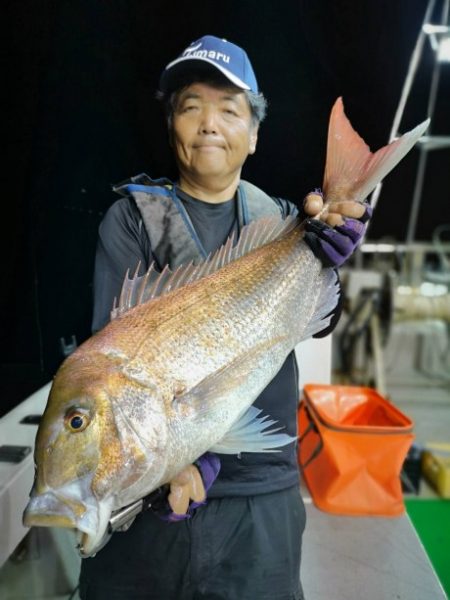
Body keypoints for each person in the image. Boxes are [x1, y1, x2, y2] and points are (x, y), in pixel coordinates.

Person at [79, 35, 371, 600]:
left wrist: (331, 255)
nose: (209, 123)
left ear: (255, 134)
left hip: (262, 494)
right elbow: (111, 371)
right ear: (172, 126)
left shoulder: (287, 221)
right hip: (158, 487)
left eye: (229, 109)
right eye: (191, 106)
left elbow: (319, 322)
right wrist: (177, 461)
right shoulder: (134, 220)